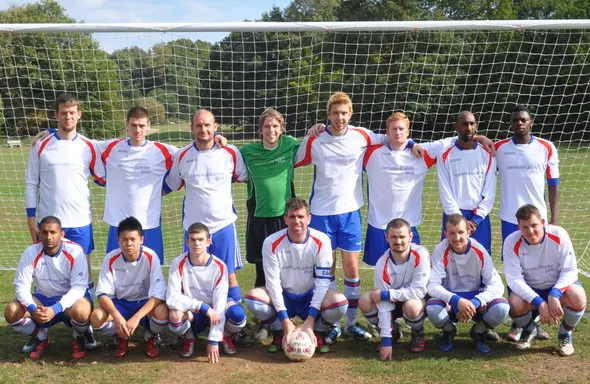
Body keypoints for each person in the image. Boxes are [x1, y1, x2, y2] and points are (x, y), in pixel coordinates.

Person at [294, 91, 389, 342]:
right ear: (328, 115)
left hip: (350, 213)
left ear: (351, 114)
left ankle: (351, 322)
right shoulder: (316, 140)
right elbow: (290, 158)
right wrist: (308, 134)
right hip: (322, 214)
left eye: (344, 113)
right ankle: (332, 322)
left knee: (352, 269)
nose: (340, 118)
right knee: (327, 269)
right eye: (335, 113)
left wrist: (412, 144)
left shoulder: (362, 136)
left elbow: (394, 135)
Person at [164, 109, 247, 309]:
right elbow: (171, 184)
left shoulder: (230, 152)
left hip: (223, 225)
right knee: (191, 274)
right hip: (194, 229)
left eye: (208, 125)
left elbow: (244, 177)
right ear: (192, 128)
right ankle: (192, 321)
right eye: (199, 125)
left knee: (229, 273)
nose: (203, 129)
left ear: (215, 127)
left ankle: (234, 320)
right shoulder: (182, 155)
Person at [25, 93, 105, 302]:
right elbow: (31, 182)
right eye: (63, 113)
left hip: (79, 221)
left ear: (79, 115)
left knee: (83, 273)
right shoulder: (40, 145)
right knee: (44, 271)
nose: (67, 117)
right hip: (48, 222)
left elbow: (104, 176)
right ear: (56, 115)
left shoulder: (90, 146)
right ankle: (42, 325)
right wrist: (31, 219)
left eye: (72, 113)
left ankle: (84, 328)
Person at [244, 198, 348, 354]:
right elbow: (273, 284)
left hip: (310, 297)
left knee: (340, 303)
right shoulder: (271, 242)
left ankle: (317, 331)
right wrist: (285, 321)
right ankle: (280, 331)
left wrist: (311, 319)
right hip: (285, 296)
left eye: (300, 217)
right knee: (252, 299)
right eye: (292, 217)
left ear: (309, 219)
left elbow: (322, 283)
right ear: (285, 219)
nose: (296, 221)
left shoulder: (322, 241)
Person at [495, 104, 560, 342]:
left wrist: (552, 220)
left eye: (523, 119)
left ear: (531, 121)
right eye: (515, 120)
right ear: (511, 124)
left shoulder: (546, 147)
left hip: (538, 221)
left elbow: (554, 183)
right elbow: (479, 150)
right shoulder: (500, 148)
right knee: (515, 269)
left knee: (536, 268)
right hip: (510, 220)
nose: (519, 123)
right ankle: (518, 320)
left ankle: (534, 319)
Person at [240, 108, 301, 341]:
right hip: (258, 218)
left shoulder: (290, 145)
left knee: (286, 269)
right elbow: (227, 154)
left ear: (282, 128)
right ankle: (264, 320)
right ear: (260, 130)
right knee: (262, 270)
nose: (271, 130)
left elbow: (313, 143)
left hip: (284, 219)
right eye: (267, 126)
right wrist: (220, 139)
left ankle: (287, 315)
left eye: (275, 126)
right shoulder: (248, 151)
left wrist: (317, 129)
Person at [4, 216, 94, 359]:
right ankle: (41, 336)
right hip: (43, 300)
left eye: (53, 232)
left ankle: (79, 335)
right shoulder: (31, 252)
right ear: (39, 234)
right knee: (11, 311)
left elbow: (79, 288)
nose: (48, 236)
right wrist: (33, 310)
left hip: (69, 302)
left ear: (62, 234)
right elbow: (21, 286)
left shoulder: (75, 251)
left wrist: (56, 308)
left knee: (82, 311)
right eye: (44, 232)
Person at [503, 204, 586, 356]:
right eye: (525, 227)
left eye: (534, 225)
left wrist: (555, 294)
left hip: (557, 288)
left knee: (578, 296)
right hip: (532, 290)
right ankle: (529, 330)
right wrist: (539, 302)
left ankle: (565, 334)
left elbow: (570, 270)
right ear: (518, 227)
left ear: (543, 222)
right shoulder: (511, 242)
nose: (530, 231)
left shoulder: (559, 234)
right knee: (515, 302)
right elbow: (514, 280)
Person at [99, 107, 177, 263]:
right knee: (116, 272)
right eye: (134, 125)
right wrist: (54, 131)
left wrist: (216, 138)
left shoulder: (162, 151)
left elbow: (191, 153)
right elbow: (81, 144)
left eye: (142, 126)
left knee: (152, 272)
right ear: (126, 124)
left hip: (149, 223)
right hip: (117, 223)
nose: (138, 130)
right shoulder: (111, 148)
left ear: (148, 126)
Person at [426, 214, 509, 354]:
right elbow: (432, 285)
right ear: (445, 234)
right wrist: (456, 300)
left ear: (469, 232)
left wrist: (476, 302)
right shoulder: (440, 250)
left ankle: (479, 331)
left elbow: (497, 286)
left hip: (476, 299)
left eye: (460, 232)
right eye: (452, 233)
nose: (456, 238)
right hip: (451, 300)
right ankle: (448, 331)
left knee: (501, 308)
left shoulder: (480, 251)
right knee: (433, 309)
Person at [166, 222, 247, 362]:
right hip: (194, 312)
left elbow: (220, 303)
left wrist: (214, 340)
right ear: (187, 242)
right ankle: (189, 338)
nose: (196, 243)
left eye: (201, 239)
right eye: (192, 239)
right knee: (174, 316)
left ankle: (225, 334)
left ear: (208, 242)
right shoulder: (177, 263)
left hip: (215, 310)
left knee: (238, 315)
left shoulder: (219, 266)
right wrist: (202, 307)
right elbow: (172, 298)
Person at [91, 217, 168, 358]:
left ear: (141, 240)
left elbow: (159, 293)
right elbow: (102, 294)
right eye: (124, 239)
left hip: (144, 302)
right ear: (118, 240)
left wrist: (137, 317)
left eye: (133, 239)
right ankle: (122, 336)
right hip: (121, 303)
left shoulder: (151, 256)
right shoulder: (110, 258)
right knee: (96, 317)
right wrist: (117, 317)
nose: (129, 244)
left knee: (163, 312)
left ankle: (151, 336)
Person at [359, 218, 430, 359]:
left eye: (402, 236)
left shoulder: (421, 254)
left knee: (412, 306)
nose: (398, 241)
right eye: (393, 237)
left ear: (410, 236)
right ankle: (392, 331)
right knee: (365, 301)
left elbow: (419, 291)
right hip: (392, 302)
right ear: (386, 237)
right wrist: (386, 340)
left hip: (415, 301)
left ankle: (417, 332)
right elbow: (383, 304)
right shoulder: (382, 263)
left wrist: (386, 295)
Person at [437, 111, 496, 255]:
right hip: (453, 216)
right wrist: (459, 219)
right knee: (451, 261)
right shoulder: (444, 155)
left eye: (471, 124)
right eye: (464, 124)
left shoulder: (487, 154)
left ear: (476, 126)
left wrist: (475, 220)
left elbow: (490, 191)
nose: (468, 127)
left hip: (478, 219)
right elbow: (445, 191)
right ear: (455, 127)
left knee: (481, 260)